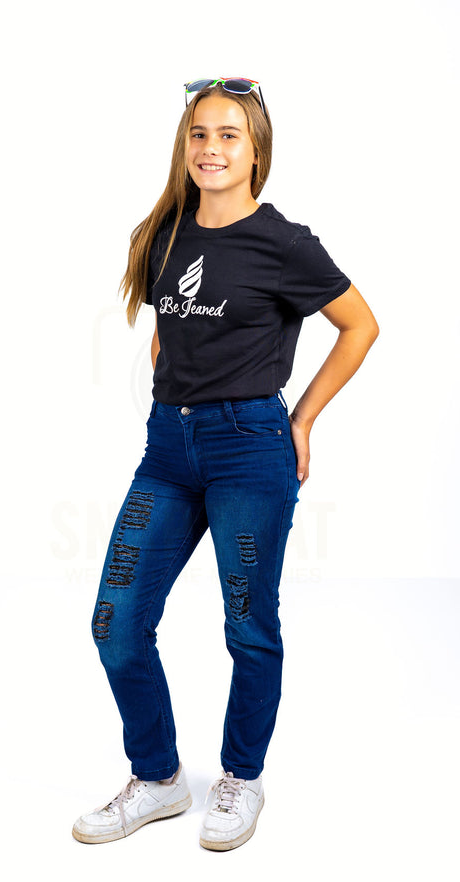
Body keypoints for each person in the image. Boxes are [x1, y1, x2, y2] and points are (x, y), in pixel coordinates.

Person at [72, 77, 379, 852]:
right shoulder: (163, 235)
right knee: (115, 622)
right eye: (199, 134)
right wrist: (175, 406)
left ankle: (241, 776)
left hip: (249, 447)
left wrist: (300, 419)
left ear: (256, 152)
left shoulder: (284, 243)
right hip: (168, 452)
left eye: (228, 135)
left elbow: (360, 326)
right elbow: (167, 333)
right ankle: (159, 779)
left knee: (247, 624)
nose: (210, 148)